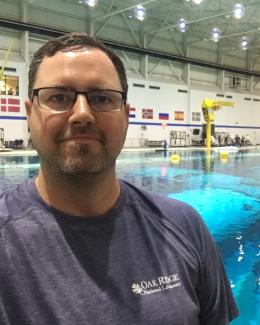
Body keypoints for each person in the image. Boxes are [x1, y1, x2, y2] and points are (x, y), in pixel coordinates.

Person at [0, 32, 239, 325]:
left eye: (102, 98)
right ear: (29, 113)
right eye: (59, 97)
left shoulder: (185, 226)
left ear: (126, 116)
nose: (82, 114)